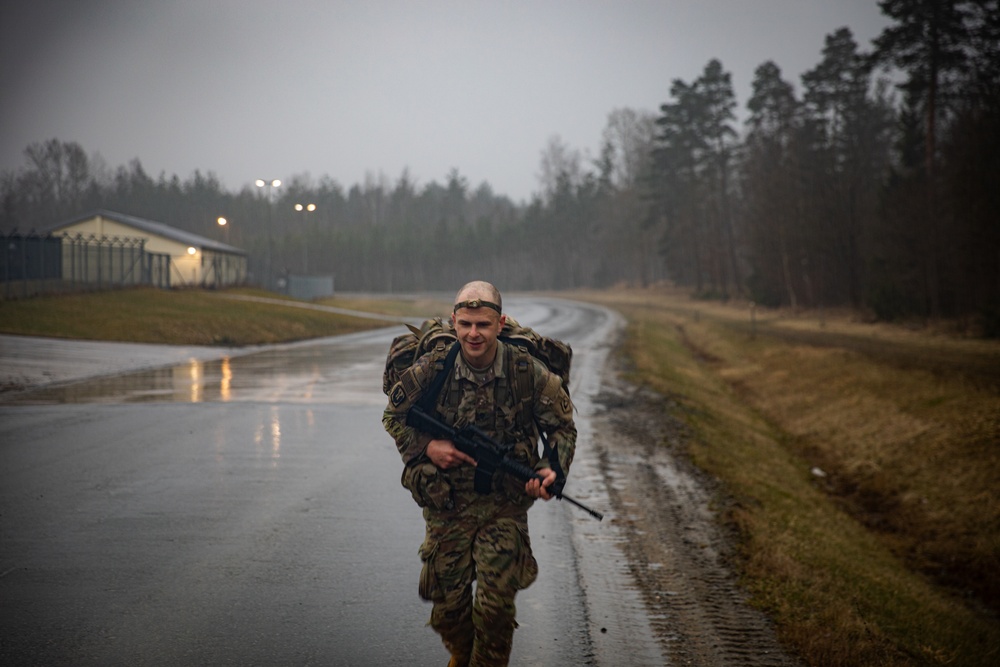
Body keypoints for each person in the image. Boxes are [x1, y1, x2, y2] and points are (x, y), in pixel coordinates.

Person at [383, 280, 576, 667]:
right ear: (454, 322)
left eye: (483, 325)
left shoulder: (527, 372)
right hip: (447, 505)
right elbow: (393, 416)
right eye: (466, 324)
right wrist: (427, 446)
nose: (474, 334)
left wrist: (551, 469)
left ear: (500, 324)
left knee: (494, 609)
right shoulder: (433, 368)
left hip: (503, 506)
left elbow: (561, 427)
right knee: (448, 612)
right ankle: (462, 653)